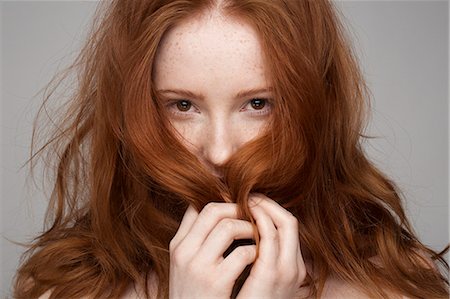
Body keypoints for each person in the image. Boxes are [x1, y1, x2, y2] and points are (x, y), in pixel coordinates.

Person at [14, 0, 449, 298]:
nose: (220, 152)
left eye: (257, 104)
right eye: (183, 105)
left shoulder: (390, 285)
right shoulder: (70, 290)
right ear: (137, 108)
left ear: (312, 103)